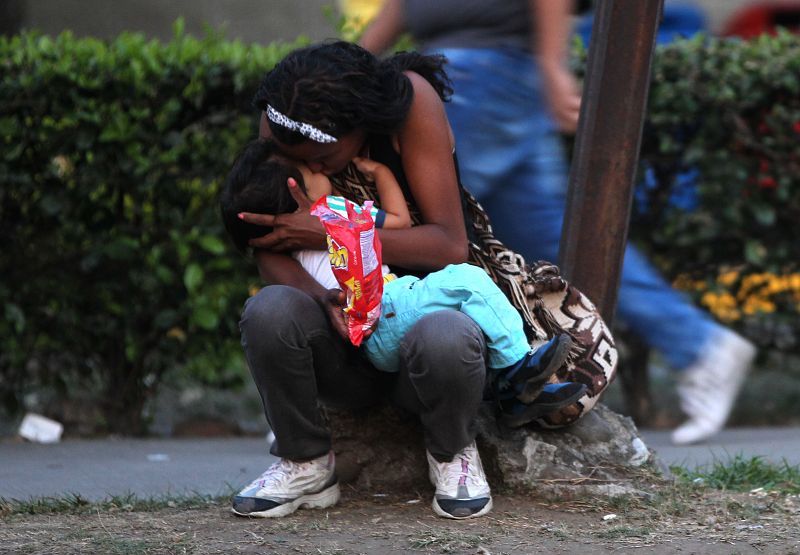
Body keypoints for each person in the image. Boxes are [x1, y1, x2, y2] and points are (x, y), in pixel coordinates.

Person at [359, 0, 757, 446]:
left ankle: (400, 387)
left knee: (422, 228)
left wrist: (552, 63)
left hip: (478, 79)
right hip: (484, 79)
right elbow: (395, 12)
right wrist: (343, 73)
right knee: (550, 235)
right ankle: (700, 346)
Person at [226, 41, 533, 521]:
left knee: (447, 335)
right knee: (269, 310)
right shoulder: (282, 120)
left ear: (360, 125)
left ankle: (451, 454)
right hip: (343, 339)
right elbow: (269, 239)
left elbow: (448, 244)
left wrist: (333, 234)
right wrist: (324, 298)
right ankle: (305, 462)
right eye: (298, 159)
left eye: (322, 157)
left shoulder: (412, 106)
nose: (312, 168)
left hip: (421, 329)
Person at [220, 139, 586, 429]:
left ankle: (515, 384)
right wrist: (380, 174)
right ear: (296, 193)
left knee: (464, 299)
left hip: (389, 310)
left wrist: (380, 173)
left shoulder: (315, 228)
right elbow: (399, 221)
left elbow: (397, 224)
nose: (317, 165)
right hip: (385, 315)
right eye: (306, 168)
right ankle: (518, 371)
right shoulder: (330, 212)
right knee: (468, 281)